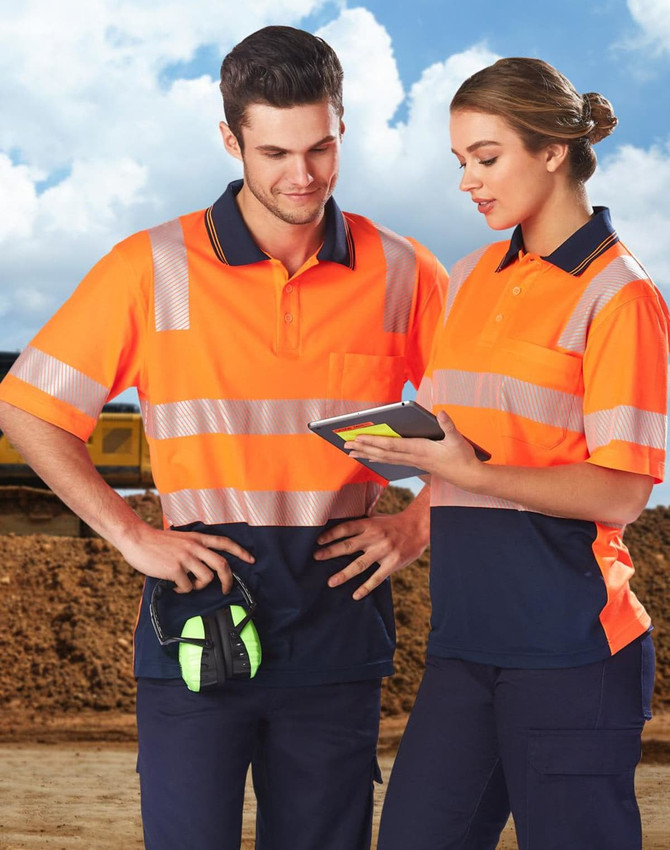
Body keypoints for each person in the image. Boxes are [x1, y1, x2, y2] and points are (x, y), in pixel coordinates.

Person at [0, 26, 448, 850]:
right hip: (200, 619)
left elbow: (482, 425)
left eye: (320, 147)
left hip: (337, 620)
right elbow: (27, 405)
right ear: (229, 138)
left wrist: (420, 521)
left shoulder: (405, 271)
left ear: (341, 126)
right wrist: (131, 535)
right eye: (275, 152)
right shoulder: (151, 266)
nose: (302, 175)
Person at [345, 57, 670, 850]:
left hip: (570, 648)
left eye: (486, 158)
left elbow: (621, 493)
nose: (468, 182)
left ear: (554, 150)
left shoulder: (621, 296)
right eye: (460, 162)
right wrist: (412, 462)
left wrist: (468, 471)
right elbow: (468, 440)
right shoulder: (469, 277)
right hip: (465, 641)